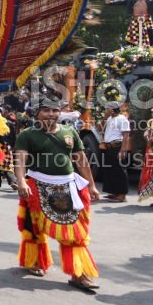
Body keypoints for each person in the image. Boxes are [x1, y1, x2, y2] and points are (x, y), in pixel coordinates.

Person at [14, 96, 101, 291]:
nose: (51, 114)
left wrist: (92, 186)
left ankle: (78, 274)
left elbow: (81, 160)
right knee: (34, 227)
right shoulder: (27, 135)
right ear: (37, 113)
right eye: (46, 110)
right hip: (37, 187)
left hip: (68, 187)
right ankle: (35, 261)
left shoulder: (70, 132)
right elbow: (20, 160)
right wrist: (21, 181)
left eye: (54, 110)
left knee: (75, 233)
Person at [100, 102, 132, 202]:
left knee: (119, 171)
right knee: (110, 170)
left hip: (117, 147)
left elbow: (126, 136)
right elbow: (99, 128)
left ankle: (122, 195)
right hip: (109, 147)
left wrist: (123, 151)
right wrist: (104, 118)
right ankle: (114, 192)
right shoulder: (109, 118)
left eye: (107, 109)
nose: (105, 111)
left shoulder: (122, 119)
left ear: (112, 110)